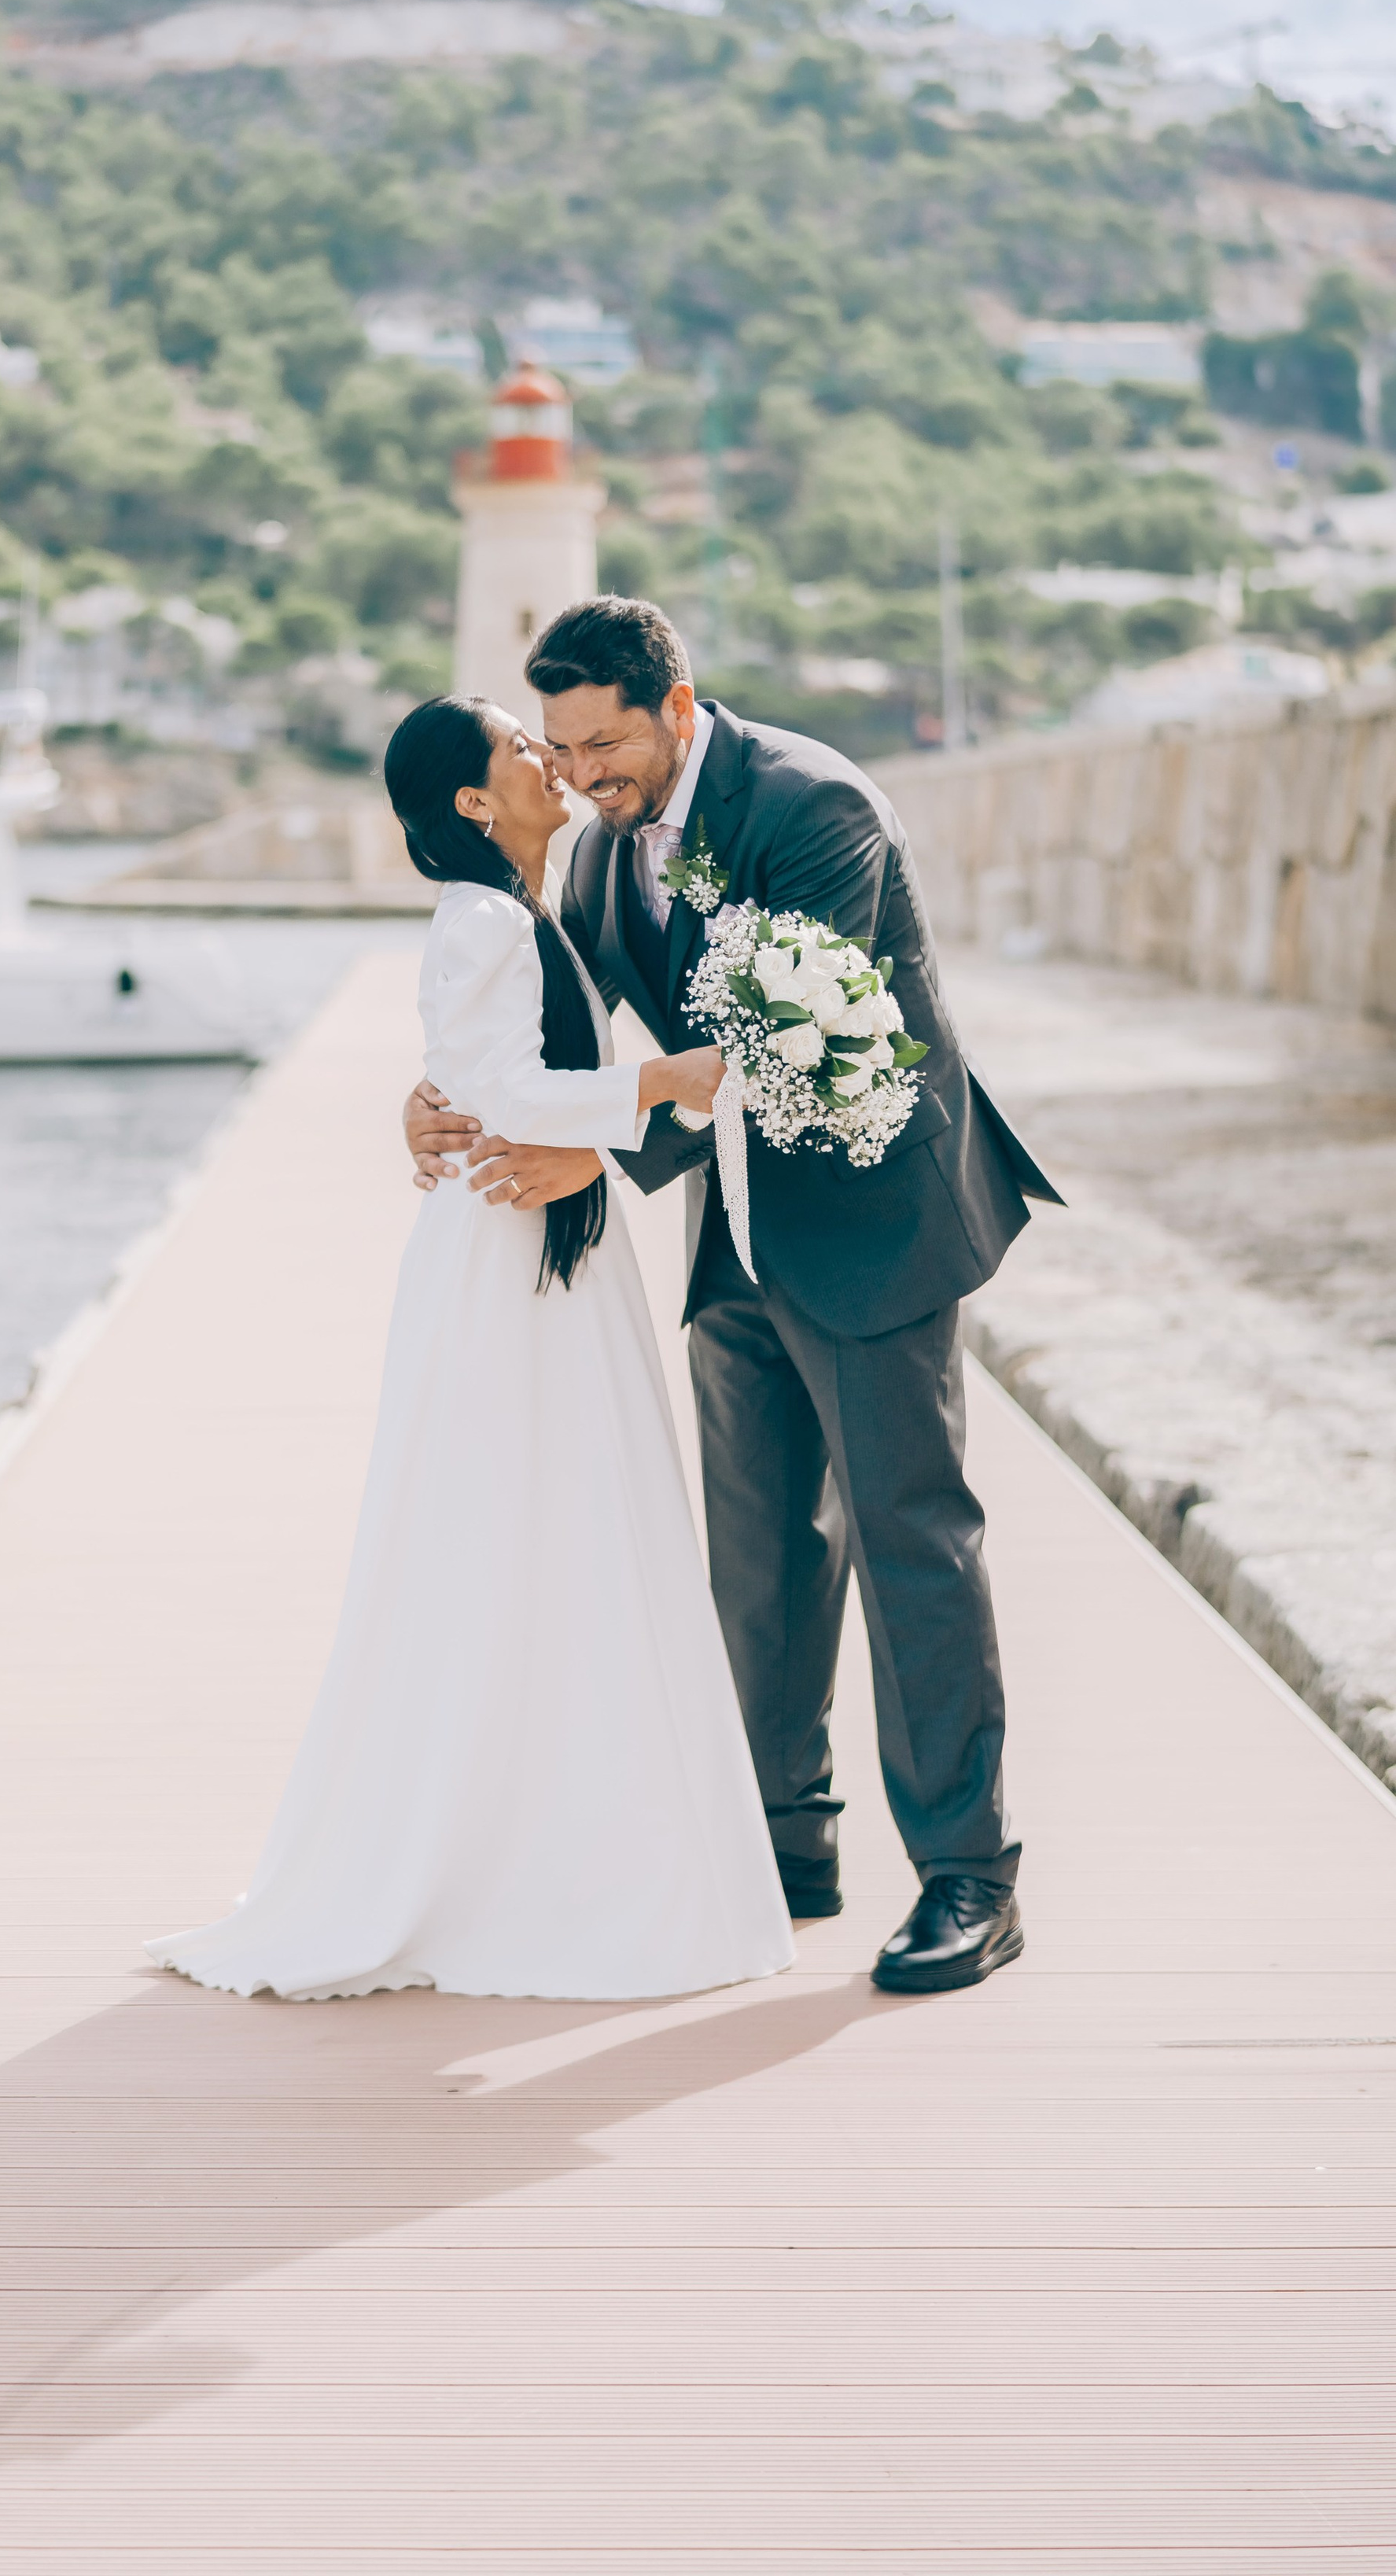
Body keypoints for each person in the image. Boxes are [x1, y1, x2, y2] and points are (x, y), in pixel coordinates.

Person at [405, 598, 1062, 1996]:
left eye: (606, 741)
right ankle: (782, 1845)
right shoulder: (591, 859)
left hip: (874, 1220)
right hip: (734, 1236)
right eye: (565, 747)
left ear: (678, 707)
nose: (583, 773)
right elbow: (554, 1023)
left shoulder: (812, 809)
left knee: (910, 1538)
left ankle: (969, 1878)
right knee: (760, 1558)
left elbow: (784, 1045)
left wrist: (588, 1144)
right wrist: (445, 1096)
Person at [150, 695, 795, 2003]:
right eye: (519, 746)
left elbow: (472, 1071)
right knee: (536, 1527)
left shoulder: (524, 913)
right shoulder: (488, 918)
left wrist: (471, 1096)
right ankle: (518, 1861)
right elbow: (498, 1090)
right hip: (513, 1251)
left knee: (556, 1531)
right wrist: (669, 1083)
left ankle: (551, 1836)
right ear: (470, 802)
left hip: (534, 1240)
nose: (549, 760)